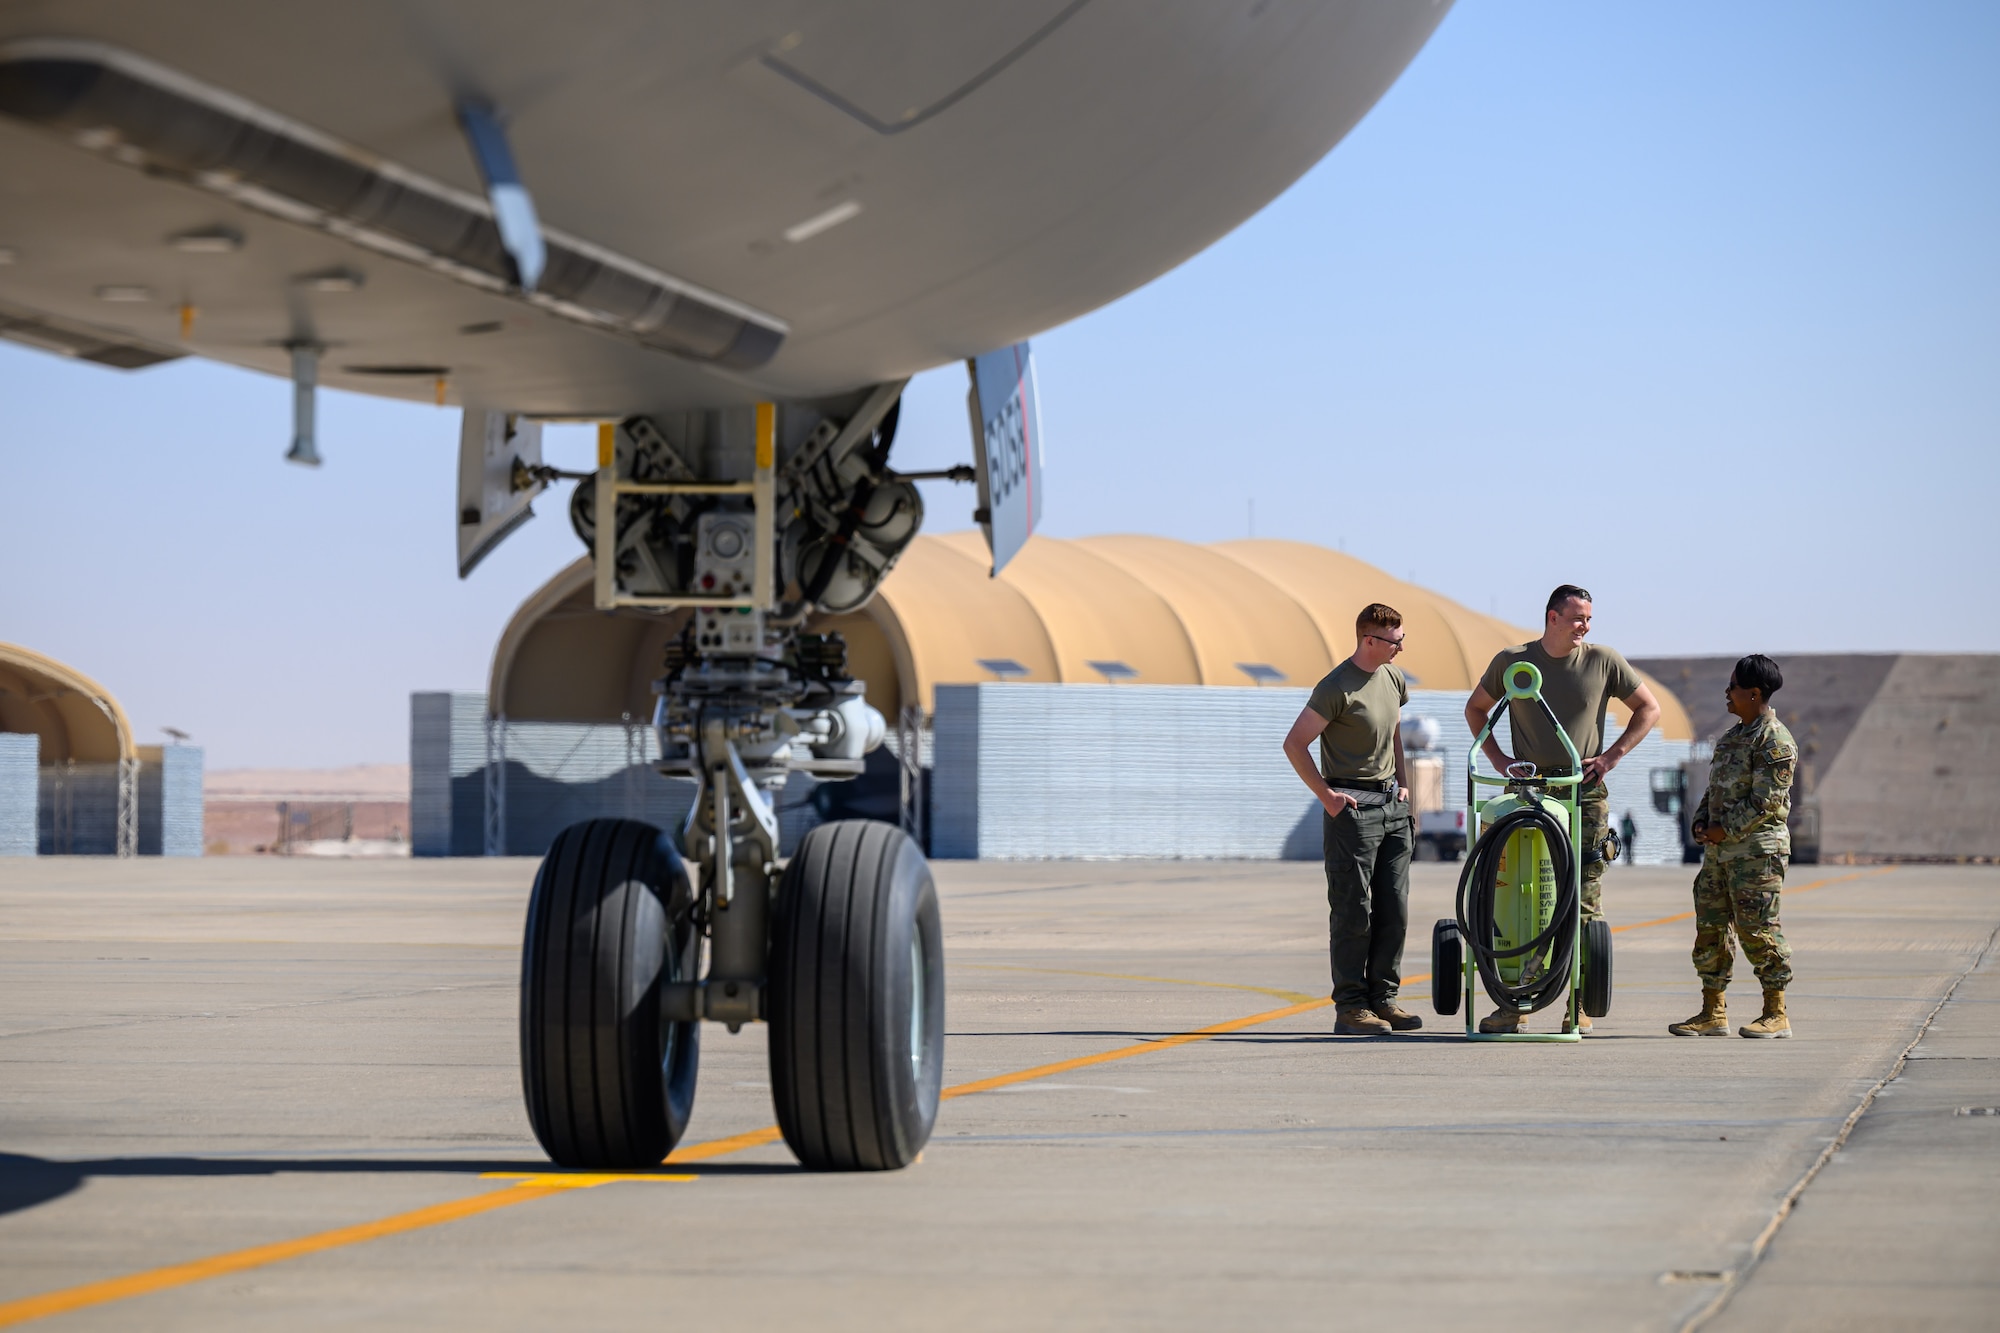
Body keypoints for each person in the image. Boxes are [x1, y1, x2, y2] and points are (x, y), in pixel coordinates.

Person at [1464, 584, 1661, 1034]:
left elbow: (1648, 709)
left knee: (1582, 900)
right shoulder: (1514, 661)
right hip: (1530, 791)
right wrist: (1498, 760)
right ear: (1552, 617)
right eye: (1577, 618)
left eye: (1588, 619)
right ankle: (1515, 1004)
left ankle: (1578, 1002)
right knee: (1521, 897)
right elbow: (1476, 709)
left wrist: (1612, 756)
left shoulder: (1603, 660)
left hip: (1582, 792)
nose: (1584, 626)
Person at [1282, 603, 1417, 1037]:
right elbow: (1295, 744)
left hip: (1392, 809)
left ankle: (1384, 999)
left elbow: (1395, 730)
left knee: (1393, 910)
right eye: (1395, 641)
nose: (1400, 648)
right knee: (1352, 912)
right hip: (1353, 813)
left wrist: (1404, 784)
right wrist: (1327, 798)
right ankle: (1352, 1007)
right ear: (1369, 640)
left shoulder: (1393, 678)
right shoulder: (1336, 687)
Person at [1669, 655, 1797, 1039]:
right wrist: (1702, 820)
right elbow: (1715, 789)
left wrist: (1726, 830)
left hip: (1757, 852)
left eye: (1733, 687)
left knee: (1757, 929)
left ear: (1754, 693)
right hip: (1720, 854)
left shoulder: (1774, 740)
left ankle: (1776, 1013)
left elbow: (1766, 801)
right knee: (1710, 929)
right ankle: (1713, 1011)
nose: (1727, 693)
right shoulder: (1732, 736)